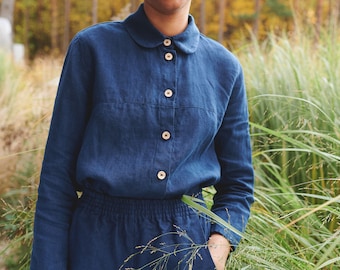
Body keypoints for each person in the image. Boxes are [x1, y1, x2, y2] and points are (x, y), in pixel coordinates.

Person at [30, 0, 254, 269]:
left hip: (186, 250)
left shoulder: (224, 68)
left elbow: (238, 184)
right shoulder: (92, 48)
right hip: (96, 246)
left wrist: (216, 252)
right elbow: (57, 178)